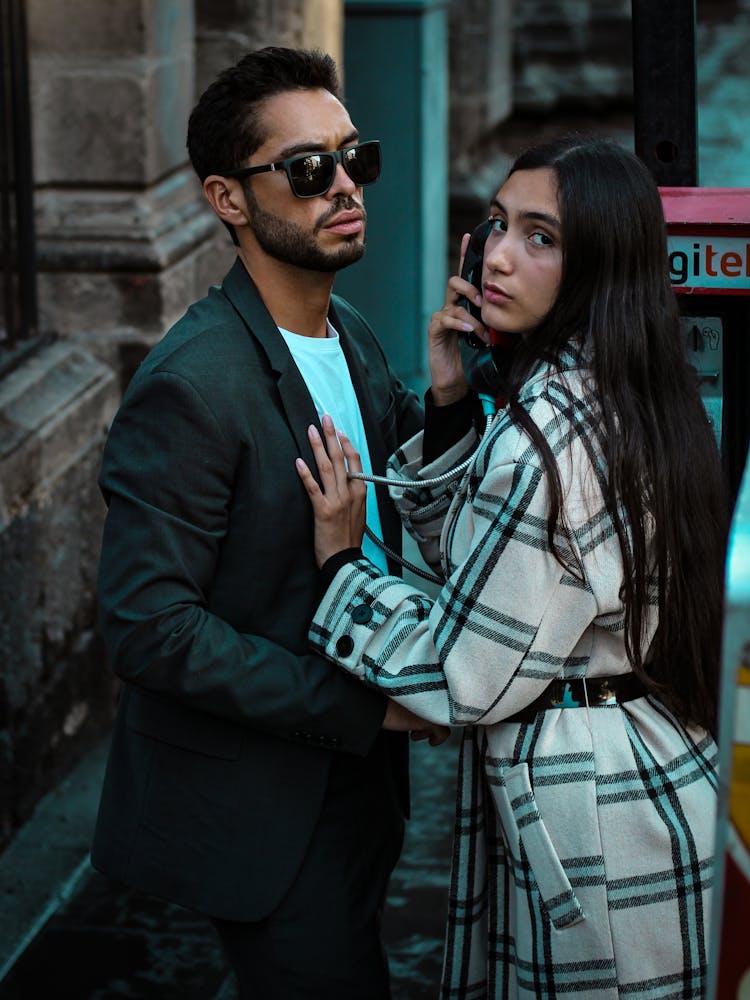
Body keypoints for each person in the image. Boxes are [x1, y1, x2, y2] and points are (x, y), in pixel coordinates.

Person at [296, 135, 727, 999]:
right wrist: (454, 400)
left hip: (592, 817)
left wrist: (343, 567)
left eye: (541, 237)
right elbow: (501, 572)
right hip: (647, 769)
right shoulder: (624, 384)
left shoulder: (548, 436)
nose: (495, 254)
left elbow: (469, 674)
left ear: (598, 264)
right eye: (496, 224)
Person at [90, 46, 449, 1000]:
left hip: (360, 782)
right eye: (307, 168)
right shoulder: (191, 388)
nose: (344, 186)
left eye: (353, 158)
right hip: (265, 803)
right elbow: (146, 627)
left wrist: (450, 399)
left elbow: (415, 480)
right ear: (228, 199)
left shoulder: (350, 332)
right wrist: (364, 706)